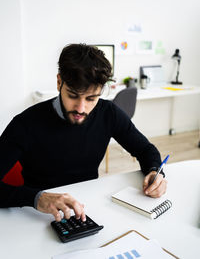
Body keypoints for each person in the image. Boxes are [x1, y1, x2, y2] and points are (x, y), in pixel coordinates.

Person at [0, 43, 167, 222]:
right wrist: (37, 198)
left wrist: (155, 171)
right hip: (36, 217)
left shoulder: (108, 113)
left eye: (91, 98)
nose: (81, 108)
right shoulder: (26, 124)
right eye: (73, 95)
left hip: (88, 209)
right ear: (59, 82)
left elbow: (145, 150)